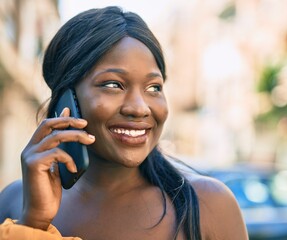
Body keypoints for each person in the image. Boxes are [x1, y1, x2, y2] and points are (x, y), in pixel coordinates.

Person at [0, 6, 248, 240]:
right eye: (113, 85)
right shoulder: (15, 201)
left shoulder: (209, 205)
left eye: (154, 87)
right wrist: (34, 223)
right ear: (67, 99)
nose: (139, 108)